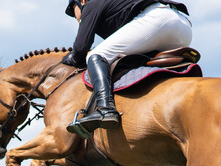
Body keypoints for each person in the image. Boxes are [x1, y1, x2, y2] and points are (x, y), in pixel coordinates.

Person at [62, 0, 192, 132]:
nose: (76, 18)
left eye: (73, 12)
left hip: (157, 19)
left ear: (82, 1)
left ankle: (105, 110)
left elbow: (80, 49)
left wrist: (69, 59)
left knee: (95, 55)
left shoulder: (91, 4)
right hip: (183, 27)